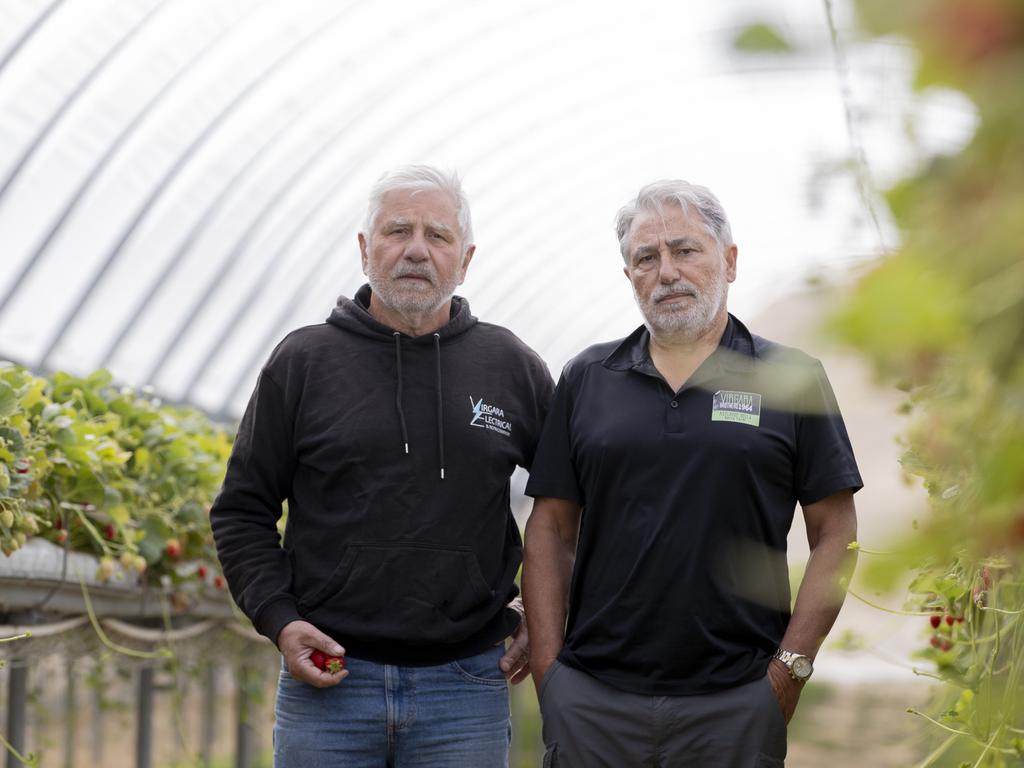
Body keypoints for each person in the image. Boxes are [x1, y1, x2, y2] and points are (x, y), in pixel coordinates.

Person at [210, 165, 553, 767]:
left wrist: (537, 610)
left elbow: (570, 507)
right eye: (398, 231)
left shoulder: (511, 367)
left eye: (438, 236)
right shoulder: (304, 362)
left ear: (465, 258)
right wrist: (280, 620)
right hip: (330, 678)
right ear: (366, 249)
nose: (417, 250)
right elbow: (242, 510)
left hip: (466, 685)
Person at [523, 180, 862, 767]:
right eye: (646, 258)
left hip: (735, 704)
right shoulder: (587, 378)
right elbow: (550, 528)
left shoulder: (791, 379)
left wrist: (789, 672)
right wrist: (552, 676)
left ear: (729, 261)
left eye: (686, 251)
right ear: (629, 275)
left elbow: (837, 535)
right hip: (594, 705)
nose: (667, 272)